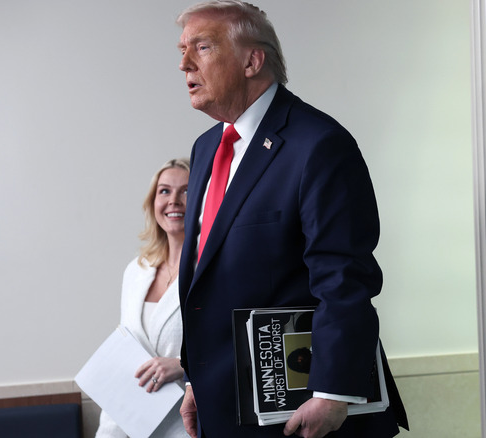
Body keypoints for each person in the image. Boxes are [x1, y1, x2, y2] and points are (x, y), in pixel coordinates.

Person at [174, 2, 408, 437]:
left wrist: (333, 392)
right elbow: (208, 277)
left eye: (201, 47)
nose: (184, 63)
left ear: (252, 60)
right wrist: (196, 379)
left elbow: (342, 275)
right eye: (183, 50)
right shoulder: (206, 148)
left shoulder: (318, 144)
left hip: (306, 414)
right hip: (224, 402)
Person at [95, 158, 191, 437]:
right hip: (128, 421)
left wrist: (184, 366)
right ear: (152, 202)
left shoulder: (213, 270)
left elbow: (233, 348)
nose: (174, 200)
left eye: (186, 191)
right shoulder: (136, 270)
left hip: (187, 424)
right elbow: (126, 350)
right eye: (164, 191)